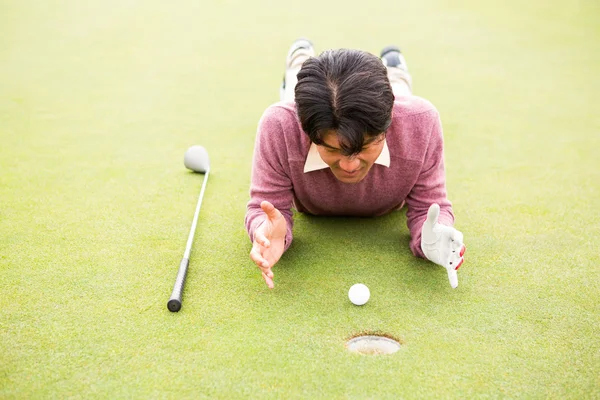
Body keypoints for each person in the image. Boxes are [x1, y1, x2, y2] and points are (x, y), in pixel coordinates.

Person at [245, 39, 466, 289]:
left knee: (401, 92)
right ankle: (299, 59)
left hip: (399, 106)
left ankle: (397, 71)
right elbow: (264, 209)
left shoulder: (421, 122)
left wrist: (432, 238)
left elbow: (430, 207)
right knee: (292, 93)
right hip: (298, 111)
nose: (350, 166)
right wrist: (264, 231)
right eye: (331, 149)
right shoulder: (279, 126)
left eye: (366, 146)